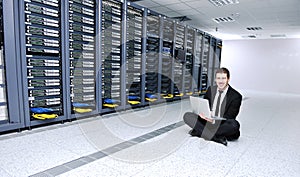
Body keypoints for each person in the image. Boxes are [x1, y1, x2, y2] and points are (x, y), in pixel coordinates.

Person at [183, 67, 242, 146]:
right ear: (215, 79)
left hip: (222, 124)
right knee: (187, 115)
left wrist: (213, 120)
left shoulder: (236, 96)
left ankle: (200, 132)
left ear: (228, 79)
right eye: (218, 78)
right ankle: (215, 137)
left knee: (234, 125)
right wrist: (202, 114)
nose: (221, 81)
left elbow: (230, 117)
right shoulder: (210, 90)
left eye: (223, 78)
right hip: (207, 121)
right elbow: (204, 105)